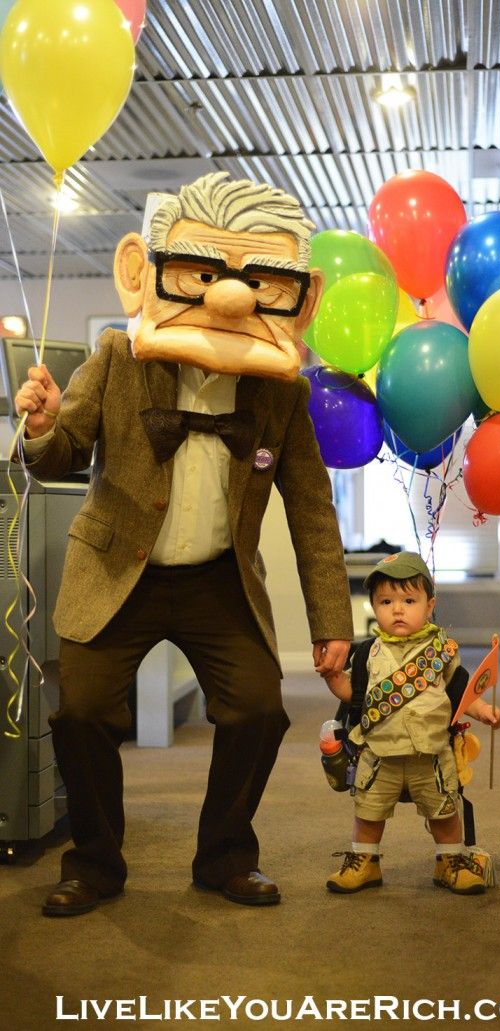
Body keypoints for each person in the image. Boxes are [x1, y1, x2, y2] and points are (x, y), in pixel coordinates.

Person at [14, 171, 354, 916]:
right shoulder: (117, 354)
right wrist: (39, 428)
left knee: (260, 708)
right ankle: (97, 860)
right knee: (82, 713)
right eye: (204, 273)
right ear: (153, 270)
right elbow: (65, 448)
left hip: (217, 577)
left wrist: (333, 622)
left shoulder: (283, 392)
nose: (229, 296)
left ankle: (226, 853)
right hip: (115, 564)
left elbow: (312, 509)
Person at [322, 551, 500, 896]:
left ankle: (449, 861)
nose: (398, 609)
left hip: (431, 753)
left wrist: (484, 712)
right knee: (368, 811)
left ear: (430, 604)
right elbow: (353, 693)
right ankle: (365, 861)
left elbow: (461, 692)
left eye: (409, 600)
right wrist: (332, 676)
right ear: (374, 606)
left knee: (444, 811)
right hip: (379, 753)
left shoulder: (442, 651)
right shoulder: (367, 654)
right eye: (386, 601)